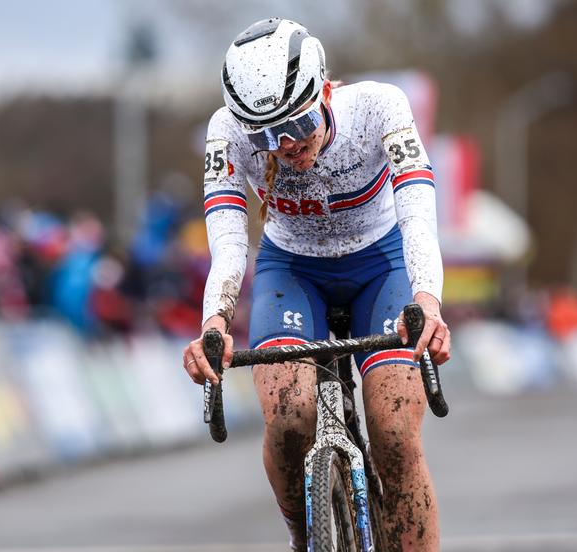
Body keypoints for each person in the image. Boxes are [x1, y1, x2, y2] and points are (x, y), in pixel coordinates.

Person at [182, 18, 451, 552]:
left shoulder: (379, 107)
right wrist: (213, 321)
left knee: (394, 433)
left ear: (324, 88)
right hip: (293, 272)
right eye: (265, 136)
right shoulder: (226, 133)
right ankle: (310, 539)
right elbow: (231, 242)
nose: (285, 147)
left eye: (298, 125)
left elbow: (417, 211)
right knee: (288, 418)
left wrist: (427, 300)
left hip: (384, 264)